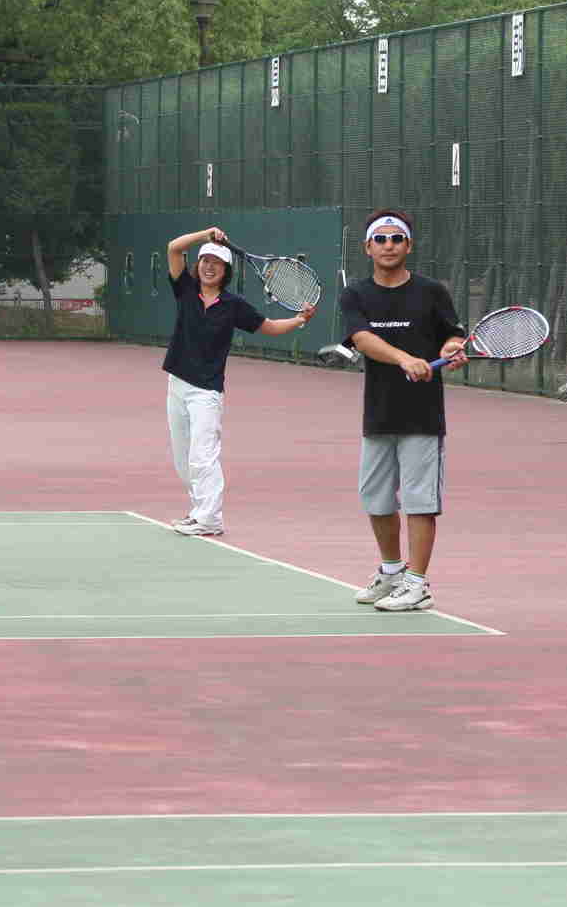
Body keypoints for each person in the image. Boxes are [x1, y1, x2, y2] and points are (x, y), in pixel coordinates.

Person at [338, 209, 468, 612]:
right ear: (368, 248)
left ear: (409, 246)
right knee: (376, 500)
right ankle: (392, 573)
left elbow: (451, 337)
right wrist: (404, 359)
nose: (389, 245)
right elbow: (361, 338)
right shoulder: (356, 294)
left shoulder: (432, 292)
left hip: (423, 417)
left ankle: (417, 585)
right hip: (378, 413)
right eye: (381, 239)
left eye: (397, 239)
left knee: (419, 502)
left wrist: (450, 350)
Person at [162, 226, 313, 536]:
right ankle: (198, 509)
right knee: (183, 459)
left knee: (203, 455)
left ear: (225, 271)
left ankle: (210, 518)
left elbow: (267, 326)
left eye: (216, 263)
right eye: (205, 261)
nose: (208, 266)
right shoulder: (186, 289)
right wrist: (204, 235)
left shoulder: (234, 306)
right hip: (177, 384)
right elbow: (174, 248)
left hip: (206, 392)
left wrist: (298, 320)